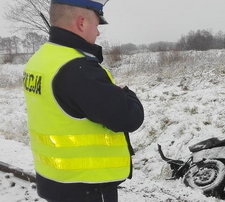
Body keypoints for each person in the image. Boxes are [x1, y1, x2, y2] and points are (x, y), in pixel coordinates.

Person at [23, 0, 144, 201]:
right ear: (81, 23)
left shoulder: (41, 59)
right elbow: (128, 117)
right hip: (87, 187)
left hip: (55, 178)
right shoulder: (77, 69)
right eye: (97, 26)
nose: (98, 33)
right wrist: (126, 92)